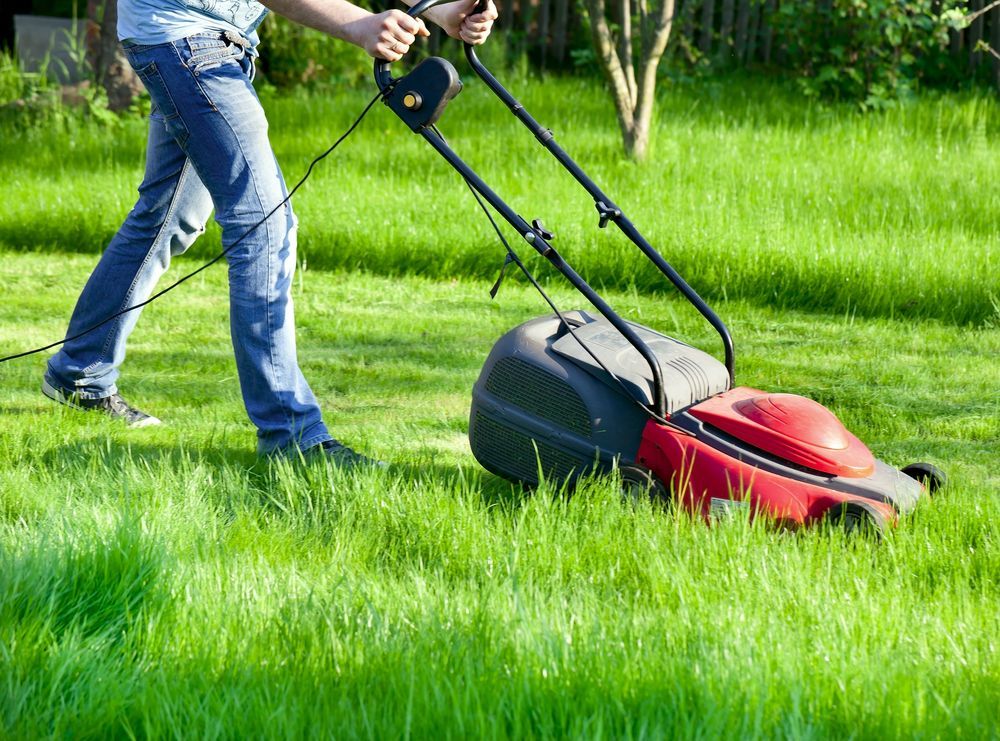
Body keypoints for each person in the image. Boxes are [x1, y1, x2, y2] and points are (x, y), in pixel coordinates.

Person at [41, 0, 498, 465]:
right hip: (183, 38)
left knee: (167, 218)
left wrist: (443, 8)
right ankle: (291, 436)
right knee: (262, 226)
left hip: (209, 39)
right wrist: (360, 25)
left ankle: (80, 371)